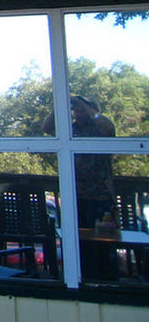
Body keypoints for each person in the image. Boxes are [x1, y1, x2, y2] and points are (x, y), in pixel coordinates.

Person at [42, 95, 117, 279]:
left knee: (105, 242)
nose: (78, 112)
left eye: (82, 109)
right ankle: (82, 277)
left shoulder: (100, 128)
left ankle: (108, 280)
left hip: (100, 196)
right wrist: (61, 104)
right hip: (75, 195)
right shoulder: (71, 129)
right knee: (78, 242)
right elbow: (46, 128)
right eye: (76, 109)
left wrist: (87, 107)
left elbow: (109, 127)